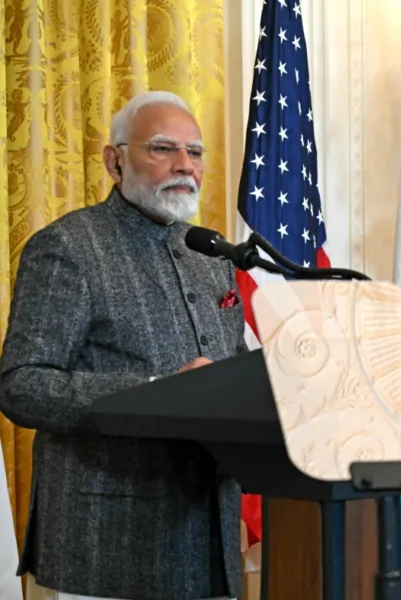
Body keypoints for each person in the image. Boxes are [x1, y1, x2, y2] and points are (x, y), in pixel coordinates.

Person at [0, 91, 246, 600]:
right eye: (163, 148)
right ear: (115, 161)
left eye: (195, 152)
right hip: (108, 543)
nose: (185, 165)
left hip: (210, 538)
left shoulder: (211, 255)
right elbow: (23, 386)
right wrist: (157, 393)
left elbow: (233, 371)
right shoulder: (69, 247)